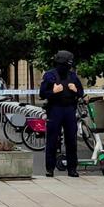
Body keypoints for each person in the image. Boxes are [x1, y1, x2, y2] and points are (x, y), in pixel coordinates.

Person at [40, 50, 84, 178]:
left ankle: (72, 169)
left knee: (71, 140)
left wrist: (75, 90)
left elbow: (81, 92)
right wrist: (53, 92)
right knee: (52, 140)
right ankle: (50, 168)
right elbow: (42, 94)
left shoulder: (73, 76)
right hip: (55, 109)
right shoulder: (49, 76)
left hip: (70, 109)